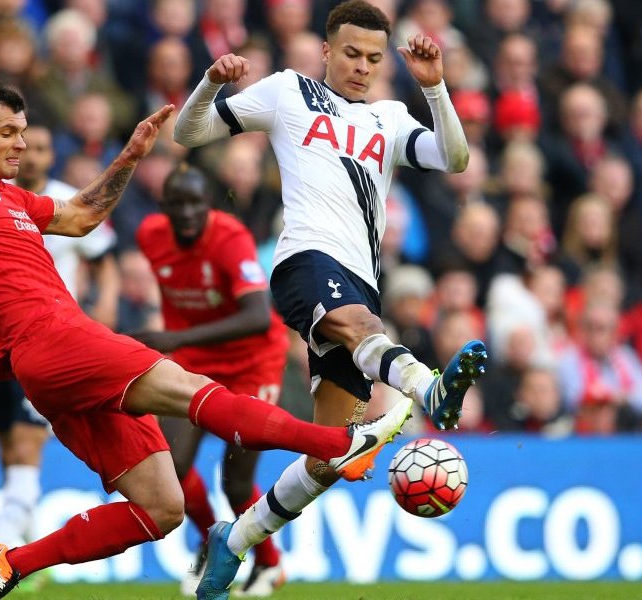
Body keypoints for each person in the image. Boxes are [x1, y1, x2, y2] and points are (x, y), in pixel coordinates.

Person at [0, 81, 412, 600]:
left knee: (162, 509)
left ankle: (10, 563)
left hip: (47, 363)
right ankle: (337, 444)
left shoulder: (13, 199)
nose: (21, 144)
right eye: (9, 133)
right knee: (189, 386)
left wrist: (133, 153)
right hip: (51, 338)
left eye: (23, 132)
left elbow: (82, 216)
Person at [172, 2, 488, 597]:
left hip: (359, 278)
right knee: (359, 322)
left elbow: (455, 158)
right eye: (350, 53)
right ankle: (428, 388)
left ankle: (233, 541)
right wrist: (209, 85)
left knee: (329, 457)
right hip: (303, 262)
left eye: (373, 57)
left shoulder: (391, 119)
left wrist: (437, 88)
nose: (361, 67)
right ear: (325, 49)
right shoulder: (288, 92)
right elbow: (188, 133)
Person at [135, 165, 288, 596]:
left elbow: (259, 317)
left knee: (234, 481)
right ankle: (211, 538)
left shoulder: (230, 239)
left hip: (252, 363)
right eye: (176, 204)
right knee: (171, 466)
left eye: (195, 203)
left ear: (210, 206)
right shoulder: (150, 235)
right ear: (162, 207)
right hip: (194, 362)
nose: (186, 212)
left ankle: (270, 563)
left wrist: (174, 336)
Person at [0, 123, 121, 584]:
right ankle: (24, 555)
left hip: (47, 339)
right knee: (8, 450)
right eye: (26, 146)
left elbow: (105, 262)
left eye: (42, 147)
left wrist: (103, 305)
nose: (32, 155)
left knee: (26, 446)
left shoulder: (67, 201)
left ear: (50, 156)